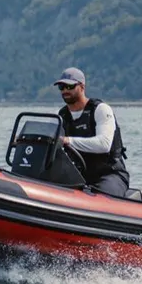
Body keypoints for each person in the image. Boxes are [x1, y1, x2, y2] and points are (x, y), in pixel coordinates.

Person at [53, 67, 130, 197]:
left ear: (82, 87)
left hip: (110, 174)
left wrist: (68, 140)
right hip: (79, 174)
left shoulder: (100, 110)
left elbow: (104, 144)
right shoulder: (62, 115)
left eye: (70, 86)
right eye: (62, 87)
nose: (65, 90)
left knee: (102, 197)